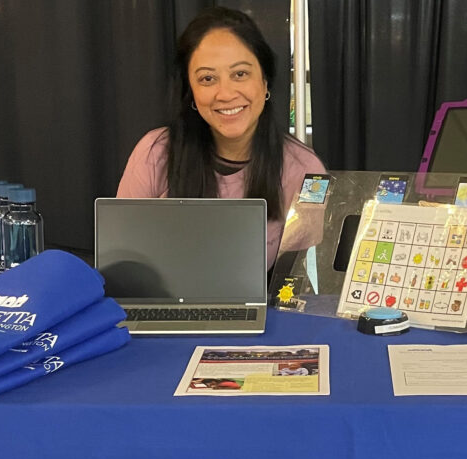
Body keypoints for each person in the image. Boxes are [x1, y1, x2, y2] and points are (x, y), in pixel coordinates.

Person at [117, 6, 326, 270]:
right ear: (191, 90)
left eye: (240, 74)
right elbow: (123, 265)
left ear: (265, 82)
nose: (225, 94)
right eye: (207, 78)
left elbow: (305, 285)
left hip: (262, 309)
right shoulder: (154, 152)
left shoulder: (305, 171)